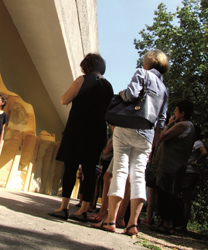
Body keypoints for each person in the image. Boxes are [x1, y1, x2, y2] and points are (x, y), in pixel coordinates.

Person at [97, 49, 169, 236]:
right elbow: (161, 120)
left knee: (120, 171)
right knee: (138, 176)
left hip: (127, 126)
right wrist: (154, 144)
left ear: (148, 62)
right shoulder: (164, 88)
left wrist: (120, 94)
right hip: (147, 134)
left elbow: (130, 95)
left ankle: (110, 220)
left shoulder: (142, 73)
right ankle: (132, 224)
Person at [48, 53, 114, 221]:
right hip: (97, 132)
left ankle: (64, 207)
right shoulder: (108, 86)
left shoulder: (82, 80)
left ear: (87, 66)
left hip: (77, 129)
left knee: (70, 167)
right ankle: (83, 210)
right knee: (90, 170)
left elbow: (64, 99)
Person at [153, 100, 195, 234]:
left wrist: (169, 124)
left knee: (166, 194)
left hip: (170, 165)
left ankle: (167, 224)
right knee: (170, 193)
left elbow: (163, 137)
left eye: (176, 111)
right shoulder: (191, 126)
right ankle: (167, 222)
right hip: (178, 165)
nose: (174, 113)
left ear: (182, 113)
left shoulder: (182, 125)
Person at [181, 125, 207, 231]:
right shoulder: (190, 142)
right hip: (186, 172)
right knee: (183, 198)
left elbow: (204, 152)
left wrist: (196, 162)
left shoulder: (197, 142)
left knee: (185, 198)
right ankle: (181, 222)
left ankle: (183, 224)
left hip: (191, 173)